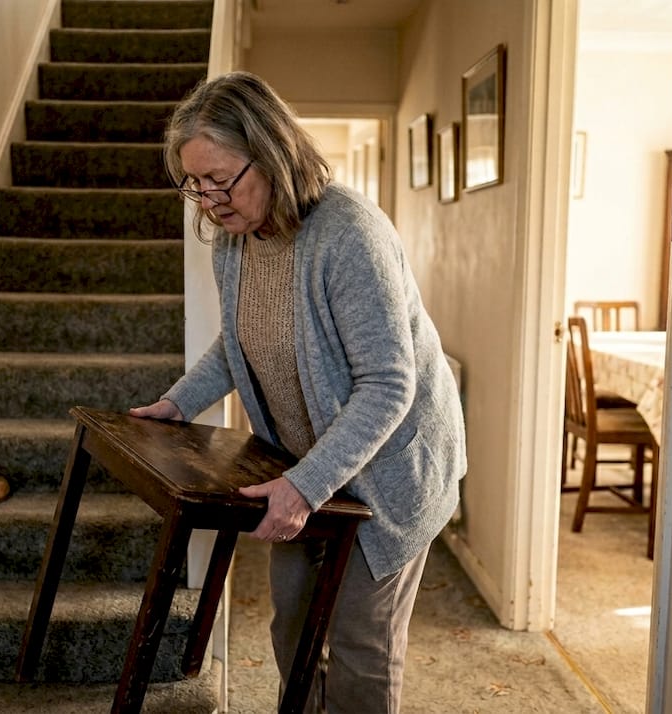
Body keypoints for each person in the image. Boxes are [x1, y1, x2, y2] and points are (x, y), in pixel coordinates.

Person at [129, 71, 465, 714]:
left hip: (392, 470)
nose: (207, 200)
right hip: (309, 464)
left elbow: (389, 383)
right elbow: (240, 340)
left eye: (220, 179)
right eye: (193, 183)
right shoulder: (232, 238)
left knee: (359, 644)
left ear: (273, 153)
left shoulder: (348, 235)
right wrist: (178, 403)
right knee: (292, 626)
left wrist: (305, 487)